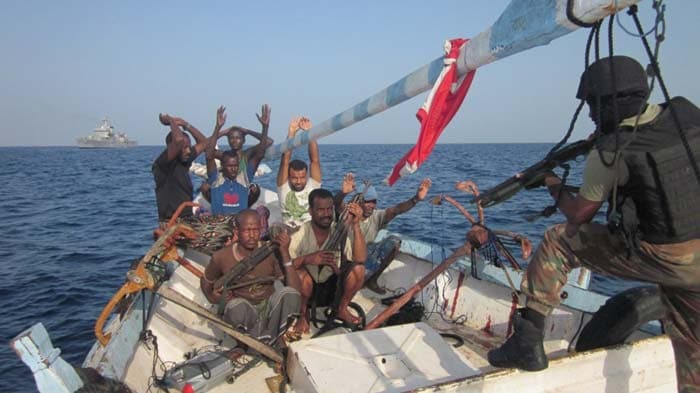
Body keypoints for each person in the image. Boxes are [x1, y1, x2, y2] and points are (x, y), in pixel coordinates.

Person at [487, 56, 700, 392]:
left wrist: (551, 182)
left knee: (559, 239)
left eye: (592, 105)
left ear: (608, 105)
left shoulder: (610, 153)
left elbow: (577, 215)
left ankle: (526, 340)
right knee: (693, 349)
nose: (589, 113)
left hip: (667, 256)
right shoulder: (686, 113)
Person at [200, 209, 301, 345]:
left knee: (290, 295)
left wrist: (284, 253)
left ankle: (267, 337)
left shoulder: (270, 251)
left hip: (268, 309)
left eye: (256, 230)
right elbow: (206, 282)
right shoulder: (221, 257)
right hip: (244, 311)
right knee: (236, 307)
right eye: (247, 231)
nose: (252, 235)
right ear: (237, 231)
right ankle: (254, 341)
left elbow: (295, 289)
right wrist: (215, 299)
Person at [334, 174, 432, 293]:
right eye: (367, 202)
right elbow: (336, 203)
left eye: (374, 202)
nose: (372, 205)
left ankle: (372, 280)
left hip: (364, 255)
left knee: (394, 242)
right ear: (358, 202)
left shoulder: (377, 216)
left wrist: (416, 199)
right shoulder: (347, 213)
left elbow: (396, 210)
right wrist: (343, 193)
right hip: (345, 259)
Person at [289, 188, 367, 334]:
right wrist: (308, 259)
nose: (326, 214)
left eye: (329, 209)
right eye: (320, 210)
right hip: (307, 293)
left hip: (331, 289)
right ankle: (303, 314)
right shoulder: (301, 233)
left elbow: (360, 258)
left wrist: (355, 225)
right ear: (311, 211)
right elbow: (286, 265)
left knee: (359, 270)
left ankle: (341, 309)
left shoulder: (339, 231)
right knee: (299, 275)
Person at [152, 113, 209, 225]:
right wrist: (171, 121)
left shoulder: (184, 160)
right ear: (171, 147)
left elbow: (204, 143)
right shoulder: (162, 165)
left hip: (188, 219)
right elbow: (178, 141)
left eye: (189, 147)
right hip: (171, 222)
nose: (188, 151)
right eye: (184, 147)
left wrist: (185, 124)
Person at [276, 116, 322, 228]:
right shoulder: (283, 186)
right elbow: (285, 161)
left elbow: (314, 160)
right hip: (288, 233)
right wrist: (291, 132)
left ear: (306, 176)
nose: (298, 181)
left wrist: (310, 133)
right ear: (289, 177)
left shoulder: (313, 186)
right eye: (294, 178)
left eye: (302, 177)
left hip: (309, 232)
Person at [206, 106, 248, 215]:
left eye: (236, 165)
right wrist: (218, 127)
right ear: (223, 165)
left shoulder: (243, 178)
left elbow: (262, 149)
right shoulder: (216, 179)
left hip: (239, 225)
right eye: (229, 166)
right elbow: (209, 155)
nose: (233, 169)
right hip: (219, 225)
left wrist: (264, 127)